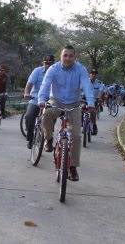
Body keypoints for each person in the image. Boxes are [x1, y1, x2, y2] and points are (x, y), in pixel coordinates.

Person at [38, 45, 95, 181]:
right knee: (46, 113)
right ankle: (49, 138)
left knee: (76, 135)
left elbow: (87, 86)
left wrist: (91, 102)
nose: (68, 58)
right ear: (61, 56)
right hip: (56, 102)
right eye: (65, 55)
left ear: (74, 57)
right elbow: (45, 85)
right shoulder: (53, 69)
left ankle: (73, 167)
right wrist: (41, 99)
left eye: (70, 56)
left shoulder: (80, 69)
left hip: (74, 105)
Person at [23, 54, 55, 149]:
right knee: (29, 116)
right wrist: (27, 93)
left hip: (50, 101)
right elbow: (29, 83)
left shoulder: (57, 72)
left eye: (50, 63)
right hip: (35, 99)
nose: (48, 65)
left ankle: (48, 138)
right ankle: (30, 138)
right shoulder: (37, 71)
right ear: (43, 63)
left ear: (54, 63)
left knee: (51, 118)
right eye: (46, 63)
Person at [89, 69, 104, 135]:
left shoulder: (99, 83)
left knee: (93, 113)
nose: (93, 75)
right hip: (85, 99)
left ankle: (94, 126)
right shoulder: (84, 81)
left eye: (95, 74)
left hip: (94, 100)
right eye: (92, 73)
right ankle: (84, 124)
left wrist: (99, 97)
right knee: (80, 110)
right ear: (89, 74)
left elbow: (100, 91)